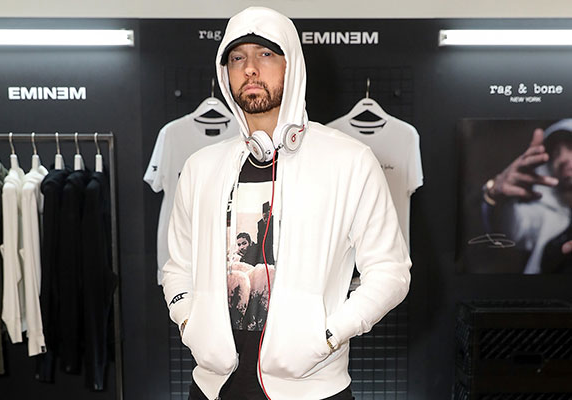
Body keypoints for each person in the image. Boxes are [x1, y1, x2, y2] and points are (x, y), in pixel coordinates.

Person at [161, 7, 411, 400]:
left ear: (291, 64)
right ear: (225, 72)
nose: (250, 69)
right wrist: (188, 320)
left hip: (314, 389)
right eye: (237, 57)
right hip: (212, 387)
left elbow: (390, 273)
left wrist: (329, 335)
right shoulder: (200, 168)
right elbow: (176, 267)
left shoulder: (349, 161)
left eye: (265, 54)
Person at [482, 119, 572, 274]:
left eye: (571, 147)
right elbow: (507, 230)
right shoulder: (547, 215)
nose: (562, 159)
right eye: (556, 154)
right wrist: (496, 195)